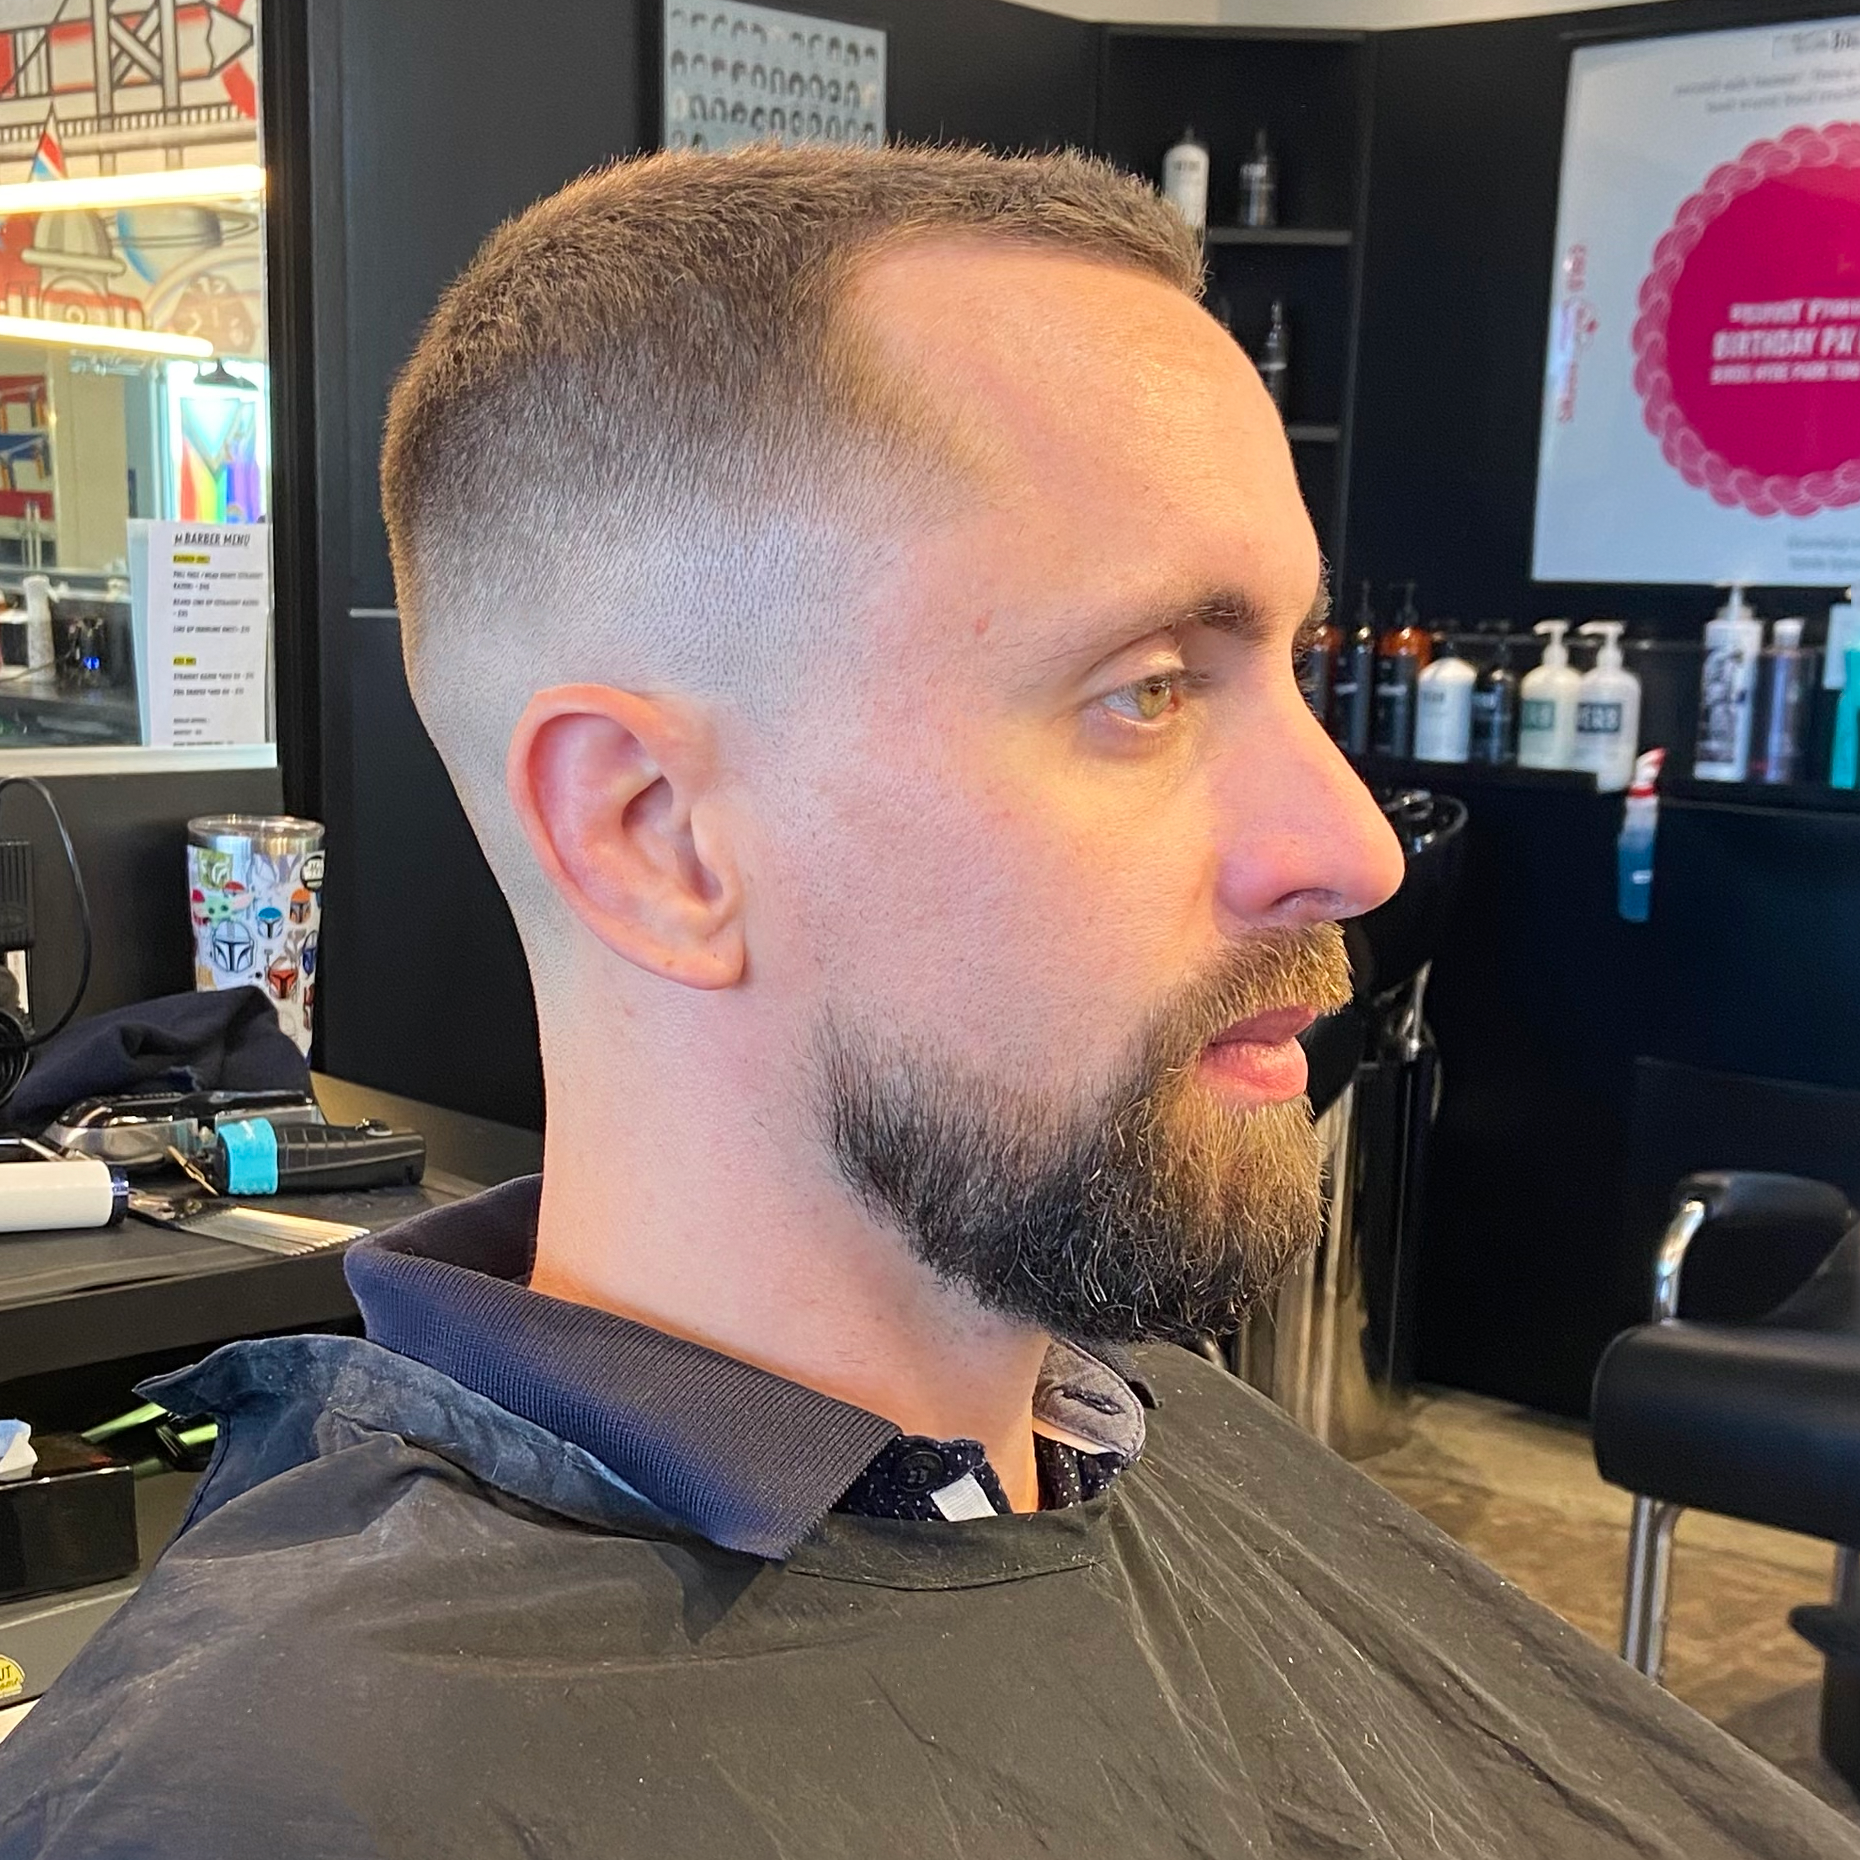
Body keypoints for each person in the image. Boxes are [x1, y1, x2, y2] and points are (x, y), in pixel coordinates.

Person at [0, 144, 1852, 1859]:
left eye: (1282, 663)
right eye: (1147, 686)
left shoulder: (1137, 1423)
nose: (1353, 846)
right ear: (655, 837)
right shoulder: (281, 1800)